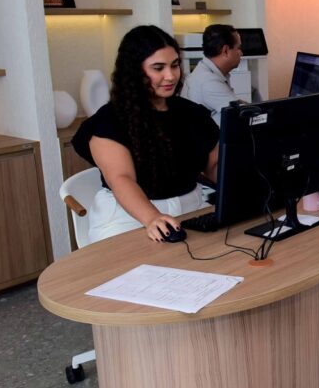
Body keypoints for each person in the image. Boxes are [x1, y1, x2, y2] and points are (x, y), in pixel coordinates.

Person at [73, 25, 219, 243]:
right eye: (158, 68)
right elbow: (121, 179)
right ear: (134, 71)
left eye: (175, 65)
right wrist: (152, 218)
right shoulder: (109, 121)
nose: (170, 76)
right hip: (128, 217)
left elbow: (215, 165)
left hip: (192, 208)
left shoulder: (193, 114)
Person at [182, 23, 243, 125]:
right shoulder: (209, 81)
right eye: (238, 48)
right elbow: (242, 114)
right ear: (226, 51)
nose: (241, 53)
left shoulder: (205, 70)